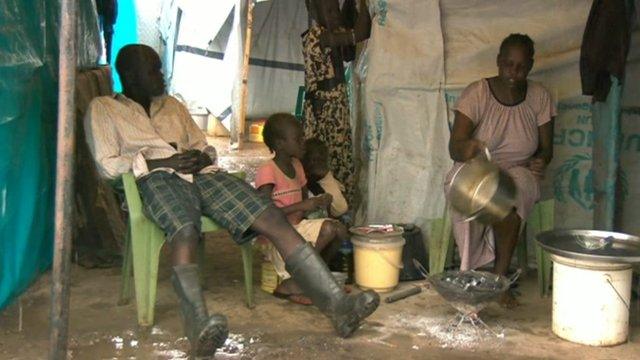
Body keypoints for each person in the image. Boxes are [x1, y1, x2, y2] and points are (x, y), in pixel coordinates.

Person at [84, 44, 379, 357]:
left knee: (270, 216)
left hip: (203, 175)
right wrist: (163, 164)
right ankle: (197, 325)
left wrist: (200, 156)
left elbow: (204, 145)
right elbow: (108, 164)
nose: (161, 75)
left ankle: (338, 306)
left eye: (159, 68)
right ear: (129, 75)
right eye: (153, 70)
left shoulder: (173, 105)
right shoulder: (104, 109)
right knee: (185, 230)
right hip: (156, 179)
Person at [444, 34, 555, 307]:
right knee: (466, 190)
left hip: (520, 169)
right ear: (498, 62)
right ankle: (468, 273)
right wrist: (468, 148)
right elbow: (454, 148)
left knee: (512, 191)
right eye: (508, 65)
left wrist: (542, 160)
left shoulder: (539, 96)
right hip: (479, 168)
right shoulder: (478, 93)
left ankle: (499, 278)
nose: (513, 73)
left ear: (530, 66)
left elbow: (546, 149)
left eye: (520, 67)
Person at [255, 114, 347, 305]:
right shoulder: (268, 170)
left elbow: (305, 201)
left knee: (339, 230)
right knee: (329, 229)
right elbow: (263, 215)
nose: (303, 142)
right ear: (280, 144)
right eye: (298, 139)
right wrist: (303, 206)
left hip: (298, 227)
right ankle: (296, 283)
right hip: (278, 236)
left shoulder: (297, 166)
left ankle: (313, 280)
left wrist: (319, 202)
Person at [302, 0, 371, 204]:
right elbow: (359, 35)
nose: (334, 15)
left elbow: (350, 53)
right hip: (324, 110)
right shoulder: (317, 36)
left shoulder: (332, 32)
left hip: (336, 106)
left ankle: (339, 203)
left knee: (341, 156)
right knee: (325, 158)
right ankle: (327, 203)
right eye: (329, 11)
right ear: (313, 11)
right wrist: (366, 6)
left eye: (336, 11)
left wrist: (348, 9)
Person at [302, 138, 349, 219]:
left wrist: (325, 176)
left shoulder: (329, 182)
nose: (320, 163)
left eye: (322, 160)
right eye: (316, 160)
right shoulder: (302, 183)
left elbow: (341, 209)